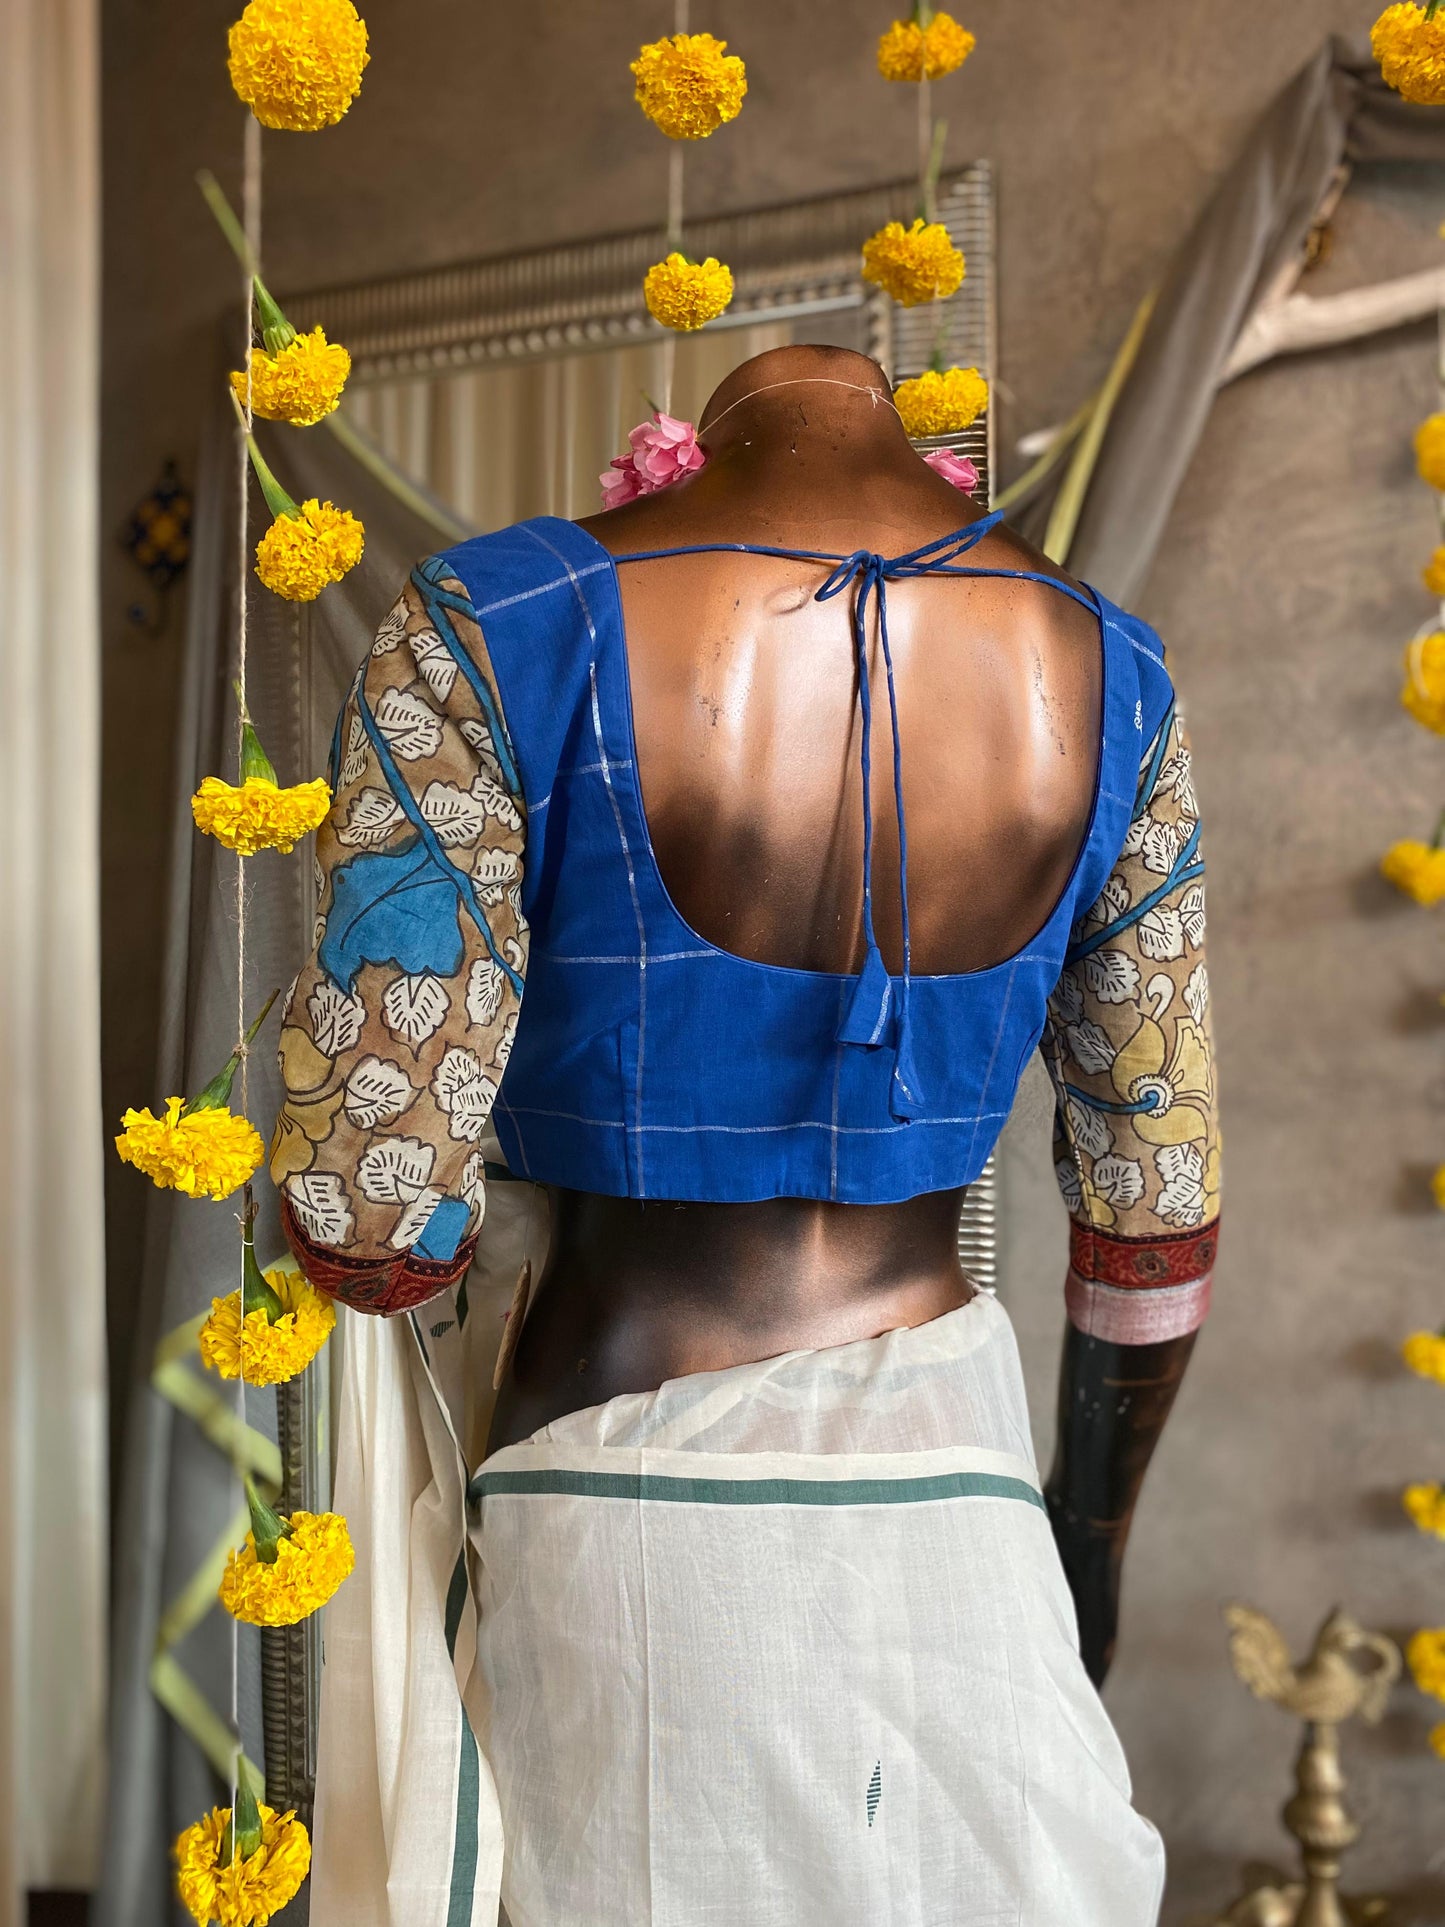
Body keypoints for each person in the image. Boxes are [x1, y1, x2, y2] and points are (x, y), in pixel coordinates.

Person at [275, 343, 1218, 1926]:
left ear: (697, 443)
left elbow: (370, 1224)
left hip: (622, 1488)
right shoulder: (1114, 672)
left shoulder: (491, 625)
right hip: (962, 1505)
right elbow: (1156, 1213)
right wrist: (1088, 1552)